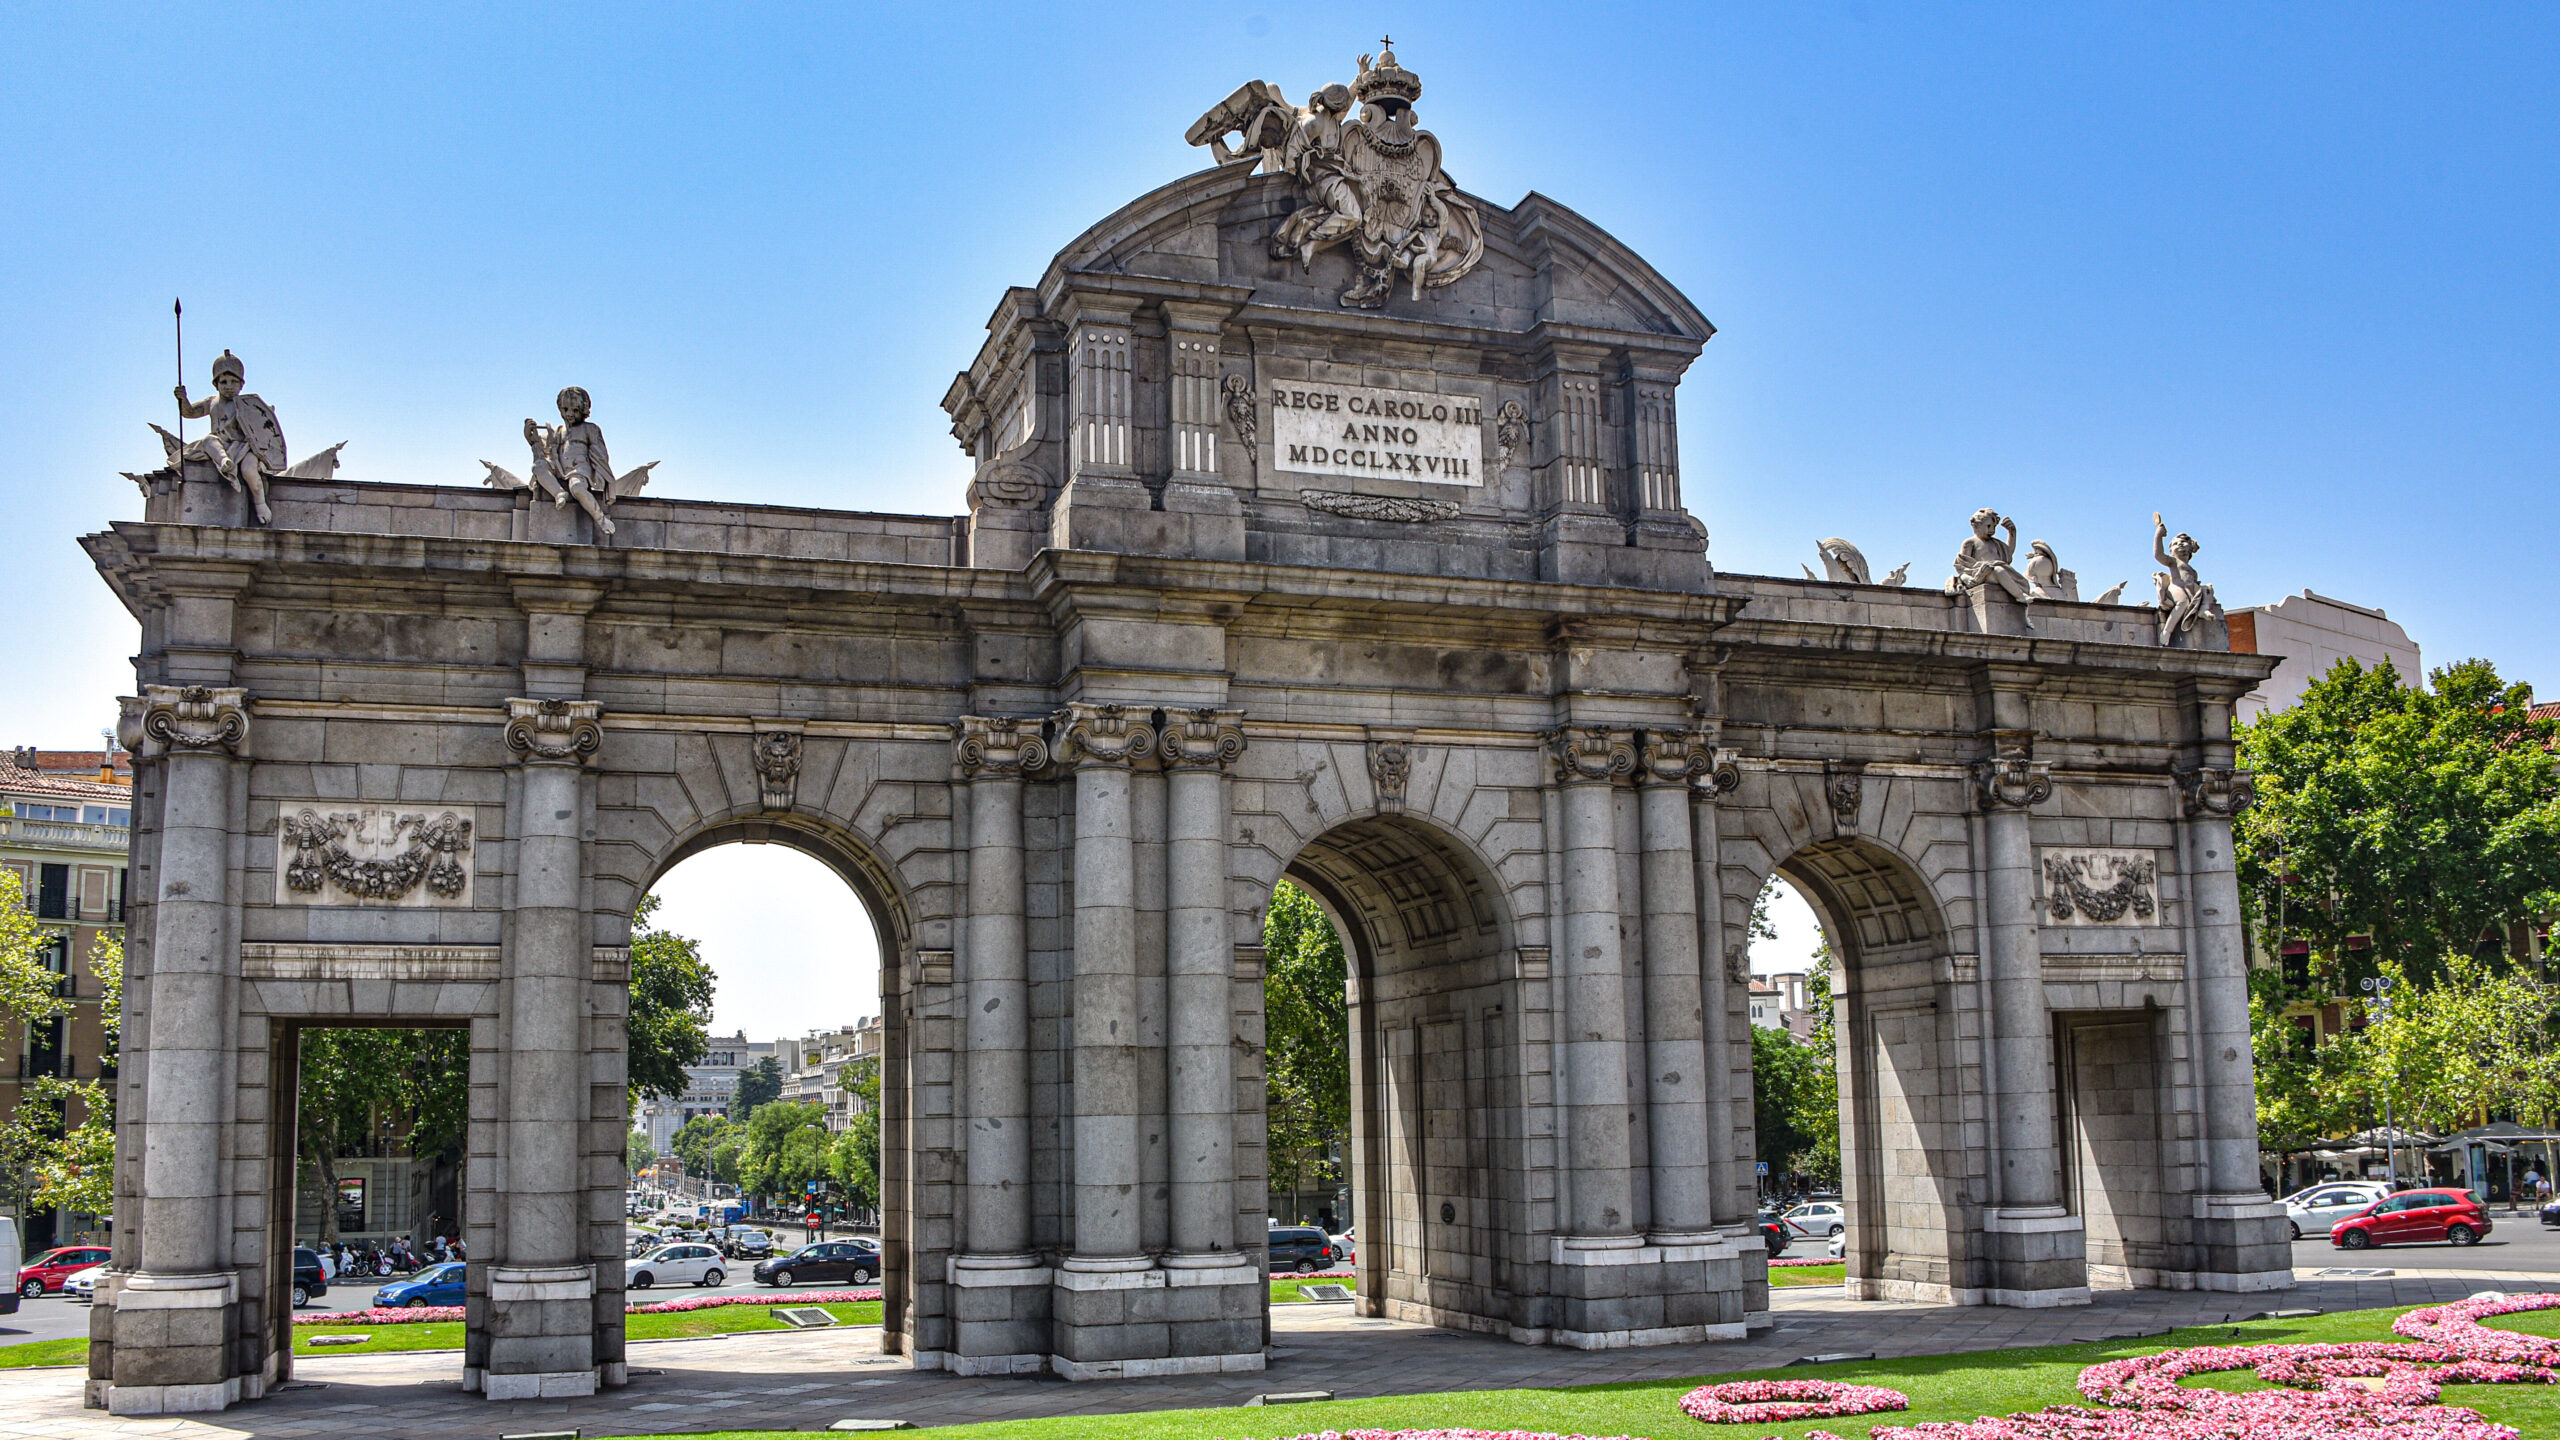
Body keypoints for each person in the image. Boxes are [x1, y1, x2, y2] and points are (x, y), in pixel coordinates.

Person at [163, 350, 288, 525]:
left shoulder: (248, 405)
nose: (228, 385)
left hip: (246, 448)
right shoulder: (211, 402)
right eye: (223, 382)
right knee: (208, 440)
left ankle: (260, 503)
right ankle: (224, 462)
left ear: (241, 385)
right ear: (216, 384)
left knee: (249, 470)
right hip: (221, 445)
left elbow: (263, 429)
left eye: (233, 382)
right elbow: (189, 412)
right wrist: (183, 399)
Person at [1949, 508, 2034, 606]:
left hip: (1997, 572)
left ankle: (2019, 591)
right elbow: (1963, 566)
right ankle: (2020, 596)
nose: (1992, 530)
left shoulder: (1995, 542)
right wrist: (1966, 578)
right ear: (1976, 525)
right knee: (1999, 570)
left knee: (2004, 572)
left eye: (1994, 527)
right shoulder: (1970, 542)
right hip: (1982, 574)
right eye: (1988, 526)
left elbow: (2007, 554)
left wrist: (2012, 533)